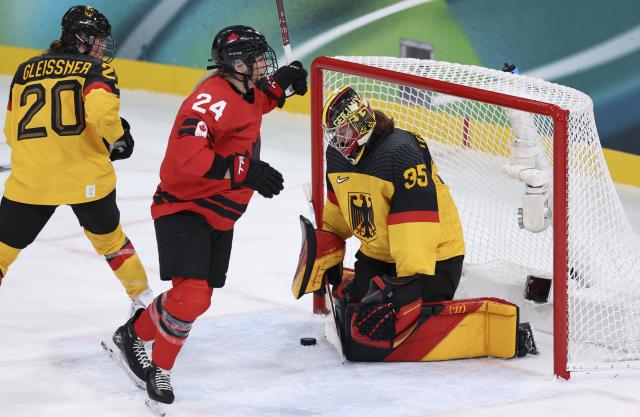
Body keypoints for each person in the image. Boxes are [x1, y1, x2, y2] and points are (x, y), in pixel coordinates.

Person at [110, 25, 308, 404]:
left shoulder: (243, 89)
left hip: (221, 214)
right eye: (257, 59)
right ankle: (160, 371)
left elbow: (253, 105)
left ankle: (132, 334)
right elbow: (184, 158)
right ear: (237, 64)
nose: (263, 64)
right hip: (183, 207)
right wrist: (247, 170)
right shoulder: (208, 101)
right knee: (191, 296)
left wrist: (282, 84)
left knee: (199, 298)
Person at [297, 85, 537, 361]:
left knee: (407, 323)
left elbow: (415, 224)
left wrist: (404, 288)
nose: (338, 140)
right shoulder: (337, 156)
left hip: (434, 258)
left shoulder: (400, 152)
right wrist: (328, 242)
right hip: (381, 253)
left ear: (361, 122)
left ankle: (508, 334)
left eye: (343, 131)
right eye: (334, 133)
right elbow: (341, 207)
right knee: (358, 320)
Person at [0, 5, 152, 314]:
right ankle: (144, 303)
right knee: (113, 245)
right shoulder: (97, 70)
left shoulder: (26, 69)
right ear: (80, 37)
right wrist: (118, 138)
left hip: (31, 181)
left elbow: (11, 130)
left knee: (2, 253)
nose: (101, 46)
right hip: (86, 179)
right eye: (97, 39)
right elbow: (101, 113)